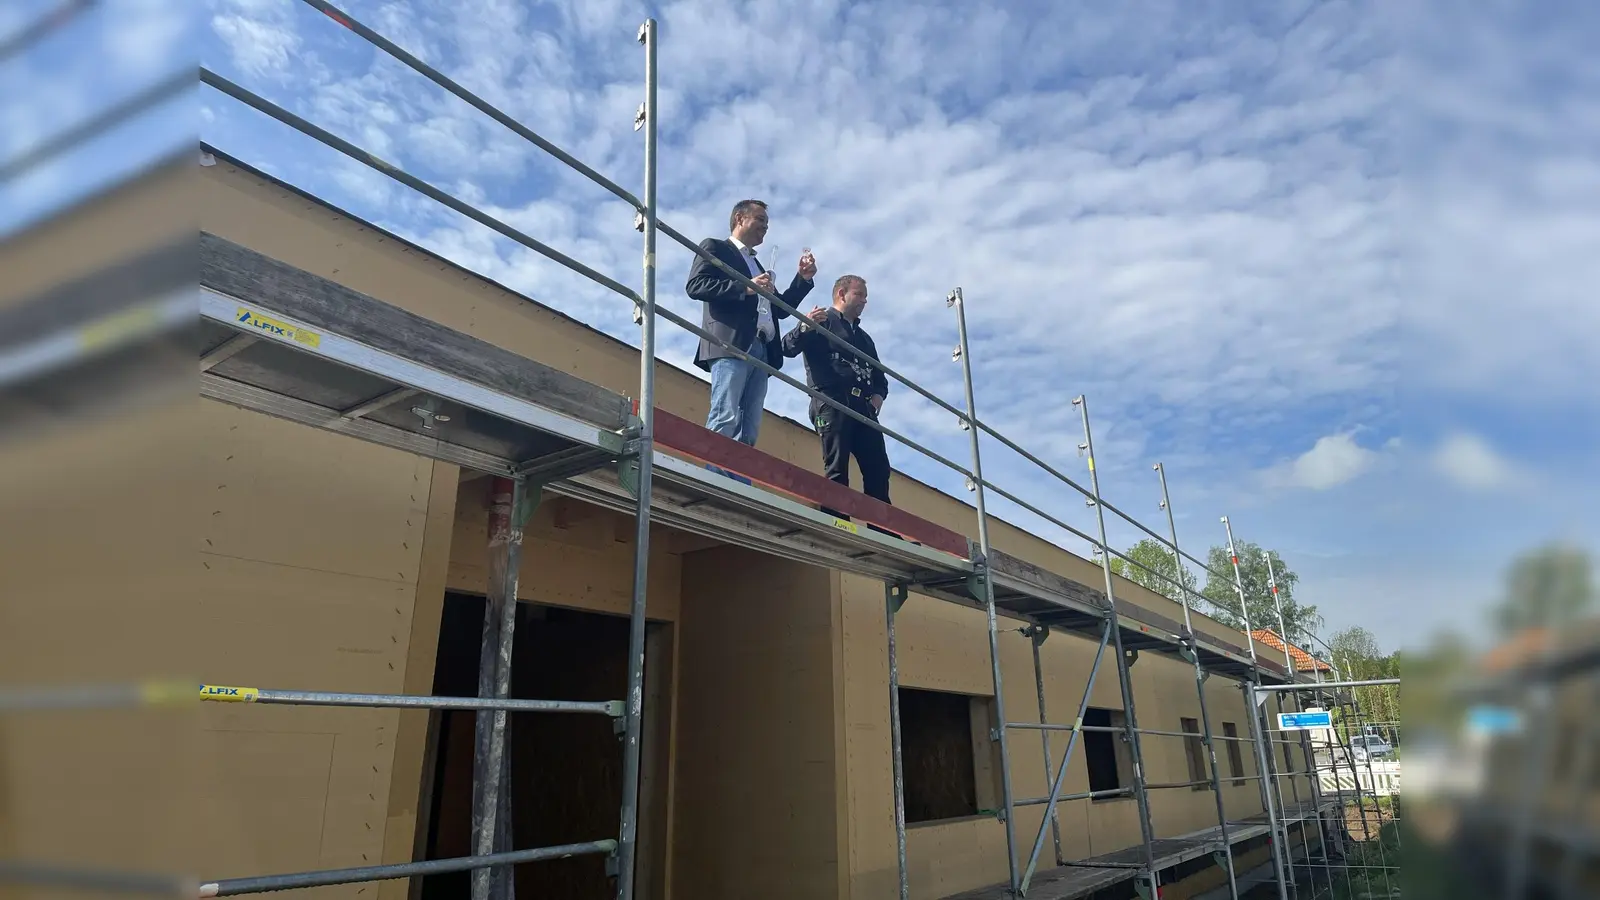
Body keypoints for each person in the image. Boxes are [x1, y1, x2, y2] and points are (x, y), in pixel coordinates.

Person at [686, 198, 817, 447]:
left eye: (767, 223)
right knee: (725, 415)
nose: (765, 227)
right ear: (739, 218)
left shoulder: (755, 264)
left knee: (750, 427)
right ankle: (714, 475)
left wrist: (802, 279)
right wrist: (745, 287)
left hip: (762, 348)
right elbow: (696, 285)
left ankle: (736, 482)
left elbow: (779, 309)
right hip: (731, 343)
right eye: (760, 220)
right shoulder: (716, 247)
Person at [781, 274, 891, 517]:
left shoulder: (864, 338)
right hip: (832, 401)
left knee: (878, 468)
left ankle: (883, 528)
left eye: (865, 296)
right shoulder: (821, 320)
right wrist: (804, 326)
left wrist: (877, 397)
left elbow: (880, 378)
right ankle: (837, 518)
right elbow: (787, 347)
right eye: (859, 294)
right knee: (837, 464)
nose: (864, 301)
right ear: (842, 294)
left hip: (863, 408)